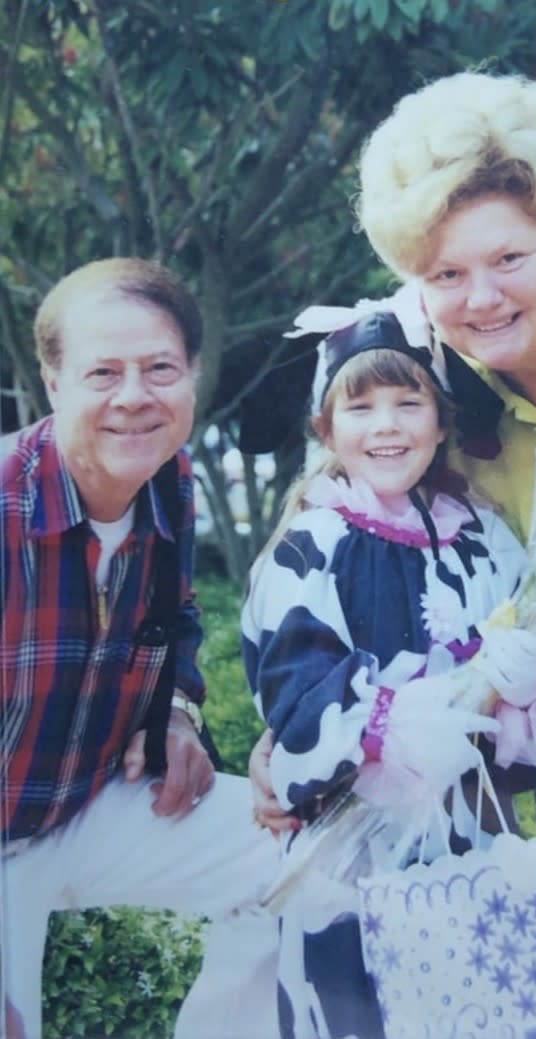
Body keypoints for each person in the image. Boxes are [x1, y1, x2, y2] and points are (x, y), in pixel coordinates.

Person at [249, 70, 536, 1034]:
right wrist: (308, 728)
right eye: (445, 274)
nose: (480, 298)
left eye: (507, 258)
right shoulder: (422, 392)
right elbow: (341, 549)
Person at [242, 309, 536, 1039]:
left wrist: (530, 687)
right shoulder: (313, 543)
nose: (386, 425)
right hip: (350, 861)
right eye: (359, 406)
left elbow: (528, 673)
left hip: (477, 842)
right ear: (325, 428)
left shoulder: (483, 535)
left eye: (408, 401)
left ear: (440, 418)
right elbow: (295, 702)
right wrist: (398, 721)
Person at [1, 258, 279, 1039]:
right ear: (53, 383)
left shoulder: (169, 483)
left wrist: (180, 711)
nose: (133, 396)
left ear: (191, 376)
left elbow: (178, 618)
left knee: (309, 858)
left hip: (79, 806)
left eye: (159, 368)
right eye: (103, 372)